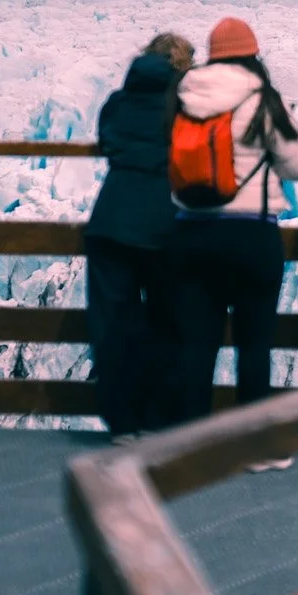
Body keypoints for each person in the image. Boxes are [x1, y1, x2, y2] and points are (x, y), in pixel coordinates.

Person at [163, 17, 298, 468]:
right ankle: (256, 447)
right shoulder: (261, 97)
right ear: (252, 53)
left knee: (196, 343)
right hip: (251, 234)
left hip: (190, 232)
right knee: (254, 342)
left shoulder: (184, 95)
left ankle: (188, 446)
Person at [84, 32, 193, 442]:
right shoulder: (184, 105)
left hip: (111, 222)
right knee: (169, 322)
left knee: (113, 324)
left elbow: (109, 141)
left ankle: (122, 422)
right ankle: (157, 420)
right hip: (166, 224)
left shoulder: (117, 102)